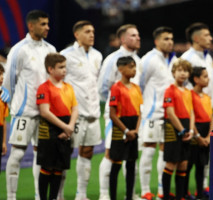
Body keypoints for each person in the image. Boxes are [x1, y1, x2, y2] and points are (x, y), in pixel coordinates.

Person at [4, 10, 56, 200]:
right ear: (31, 25)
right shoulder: (19, 50)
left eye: (48, 24)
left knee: (41, 156)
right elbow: (8, 82)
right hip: (24, 112)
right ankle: (11, 197)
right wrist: (14, 106)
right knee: (17, 154)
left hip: (46, 113)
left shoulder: (51, 49)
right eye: (43, 24)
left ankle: (38, 195)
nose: (47, 27)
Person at [60, 20, 103, 200]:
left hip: (93, 113)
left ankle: (81, 194)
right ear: (77, 35)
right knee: (64, 155)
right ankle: (59, 194)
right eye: (87, 31)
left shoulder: (97, 55)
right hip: (73, 115)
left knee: (87, 152)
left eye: (93, 31)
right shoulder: (65, 55)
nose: (92, 34)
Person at [97, 24, 141, 200]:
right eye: (133, 35)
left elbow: (139, 88)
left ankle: (131, 194)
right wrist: (116, 103)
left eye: (138, 35)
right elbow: (102, 88)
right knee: (110, 154)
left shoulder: (138, 60)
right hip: (116, 116)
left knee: (131, 158)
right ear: (123, 39)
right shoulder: (112, 60)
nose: (137, 38)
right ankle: (104, 194)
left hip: (134, 116)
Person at [139, 26, 176, 200]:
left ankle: (162, 189)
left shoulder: (174, 60)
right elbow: (139, 85)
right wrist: (145, 107)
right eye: (166, 39)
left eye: (171, 39)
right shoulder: (148, 59)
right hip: (152, 114)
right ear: (156, 41)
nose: (170, 42)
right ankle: (145, 189)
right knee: (148, 151)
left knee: (165, 152)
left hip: (169, 115)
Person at [36, 53, 78, 200]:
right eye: (60, 67)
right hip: (49, 132)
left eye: (65, 67)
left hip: (66, 129)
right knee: (47, 166)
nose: (64, 70)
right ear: (50, 69)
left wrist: (70, 127)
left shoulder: (69, 87)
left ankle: (54, 197)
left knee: (59, 167)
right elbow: (45, 112)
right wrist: (65, 127)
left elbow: (75, 109)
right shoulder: (44, 88)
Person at [181, 23, 213, 195]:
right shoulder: (187, 58)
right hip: (192, 116)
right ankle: (181, 190)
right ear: (196, 38)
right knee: (189, 160)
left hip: (206, 112)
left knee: (203, 161)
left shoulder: (207, 58)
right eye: (207, 35)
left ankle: (202, 189)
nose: (211, 38)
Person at [108, 56, 142, 200]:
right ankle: (113, 197)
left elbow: (140, 112)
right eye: (130, 67)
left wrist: (136, 130)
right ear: (121, 69)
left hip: (134, 129)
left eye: (135, 67)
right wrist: (126, 131)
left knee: (131, 165)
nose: (134, 70)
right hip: (121, 129)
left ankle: (129, 196)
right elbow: (112, 114)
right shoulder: (116, 88)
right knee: (116, 165)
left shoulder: (136, 88)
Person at [162, 58, 194, 200]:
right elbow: (170, 113)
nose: (183, 73)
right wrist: (182, 130)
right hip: (174, 128)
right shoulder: (169, 90)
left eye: (186, 71)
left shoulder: (188, 91)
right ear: (174, 72)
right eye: (180, 70)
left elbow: (192, 112)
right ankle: (167, 195)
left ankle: (180, 196)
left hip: (187, 128)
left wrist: (191, 130)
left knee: (183, 163)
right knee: (171, 162)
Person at [184, 67, 212, 199]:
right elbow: (191, 117)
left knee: (202, 165)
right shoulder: (189, 95)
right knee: (189, 165)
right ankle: (184, 192)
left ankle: (200, 193)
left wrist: (208, 136)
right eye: (205, 76)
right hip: (196, 133)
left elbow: (211, 117)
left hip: (206, 133)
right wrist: (198, 136)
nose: (208, 79)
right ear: (196, 79)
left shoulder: (207, 96)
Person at [0, 64, 9, 166]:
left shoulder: (3, 96)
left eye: (2, 74)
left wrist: (3, 142)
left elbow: (4, 121)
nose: (2, 77)